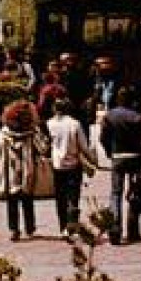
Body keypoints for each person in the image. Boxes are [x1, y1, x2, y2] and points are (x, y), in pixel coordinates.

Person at [99, 86, 141, 244]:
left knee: (116, 194)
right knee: (134, 193)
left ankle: (115, 231)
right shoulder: (137, 117)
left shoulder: (110, 116)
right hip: (135, 157)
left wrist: (109, 152)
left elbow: (103, 138)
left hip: (118, 157)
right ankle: (133, 230)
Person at [0, 99, 47, 242]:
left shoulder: (5, 132)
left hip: (11, 172)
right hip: (27, 171)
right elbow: (42, 148)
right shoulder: (31, 132)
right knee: (27, 201)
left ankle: (14, 229)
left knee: (12, 202)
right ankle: (29, 228)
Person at [46, 98, 95, 233]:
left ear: (54, 109)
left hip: (58, 165)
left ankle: (63, 227)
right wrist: (92, 160)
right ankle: (72, 225)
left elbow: (46, 144)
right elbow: (84, 147)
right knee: (73, 197)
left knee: (60, 198)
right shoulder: (75, 124)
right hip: (74, 165)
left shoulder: (49, 124)